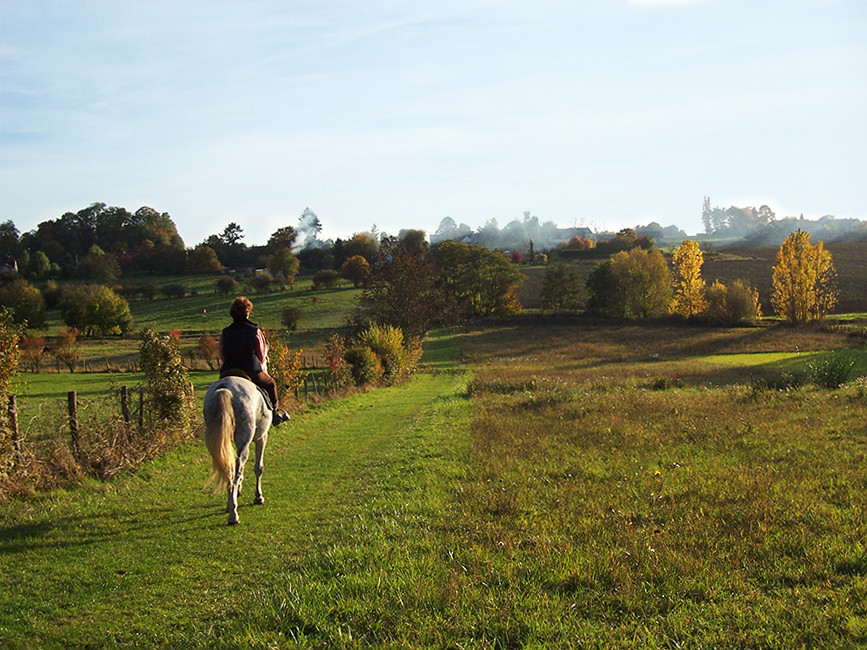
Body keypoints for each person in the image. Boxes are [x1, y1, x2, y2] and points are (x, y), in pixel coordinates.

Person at [219, 296, 290, 425]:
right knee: (271, 384)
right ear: (247, 312)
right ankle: (275, 414)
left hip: (228, 370)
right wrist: (260, 367)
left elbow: (222, 354)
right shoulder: (255, 331)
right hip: (250, 370)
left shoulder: (225, 332)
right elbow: (262, 355)